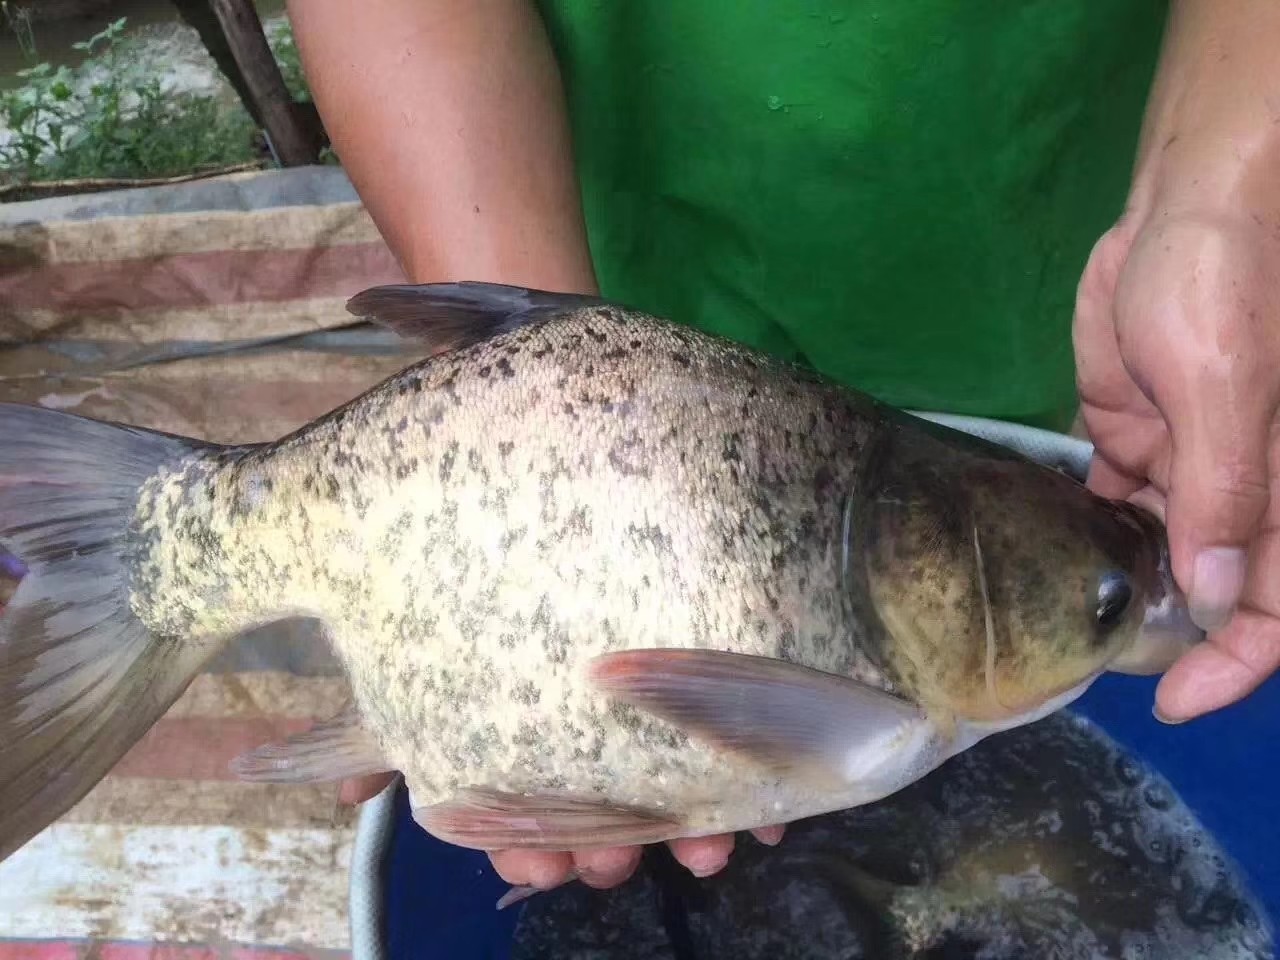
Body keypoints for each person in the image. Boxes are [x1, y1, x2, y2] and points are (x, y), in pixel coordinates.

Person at [283, 0, 1280, 895]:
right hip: (612, 242)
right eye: (1106, 606)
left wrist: (1217, 197)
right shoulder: (898, 705)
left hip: (1061, 258)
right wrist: (541, 400)